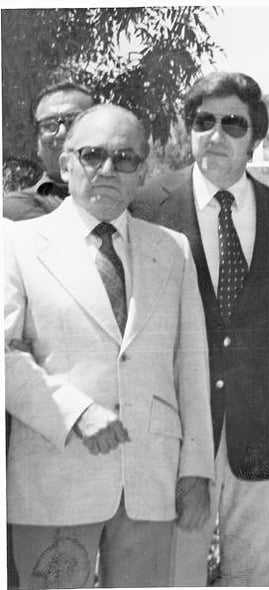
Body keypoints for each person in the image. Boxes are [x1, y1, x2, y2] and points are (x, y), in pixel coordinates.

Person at [4, 104, 214, 588]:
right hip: (55, 479)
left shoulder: (172, 249)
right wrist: (75, 412)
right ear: (65, 164)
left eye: (124, 158)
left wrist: (196, 468)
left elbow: (193, 368)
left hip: (150, 482)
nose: (106, 169)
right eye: (92, 154)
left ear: (142, 171)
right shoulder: (15, 243)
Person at [132, 72, 269, 586]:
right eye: (204, 121)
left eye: (233, 123)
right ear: (188, 129)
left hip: (263, 434)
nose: (216, 135)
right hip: (174, 438)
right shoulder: (146, 208)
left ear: (256, 137)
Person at [4, 81, 96, 220]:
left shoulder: (132, 202)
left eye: (74, 121)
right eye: (49, 125)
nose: (61, 133)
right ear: (36, 143)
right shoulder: (15, 211)